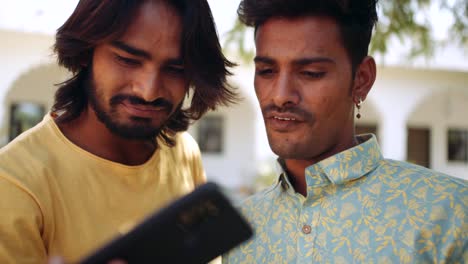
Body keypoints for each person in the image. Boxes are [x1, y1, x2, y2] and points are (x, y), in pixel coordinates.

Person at [223, 0, 467, 263]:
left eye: (310, 73)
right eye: (267, 71)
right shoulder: (240, 229)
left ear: (361, 80)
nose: (281, 95)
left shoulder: (450, 211)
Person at [0, 0, 236, 263]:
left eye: (175, 69)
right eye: (128, 60)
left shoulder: (183, 152)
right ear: (86, 52)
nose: (148, 91)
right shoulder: (15, 183)